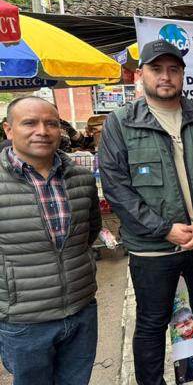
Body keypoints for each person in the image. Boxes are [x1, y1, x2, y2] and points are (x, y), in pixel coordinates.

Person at [98, 39, 193, 385]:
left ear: (182, 75)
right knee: (151, 322)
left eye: (173, 69)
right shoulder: (120, 124)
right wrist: (164, 229)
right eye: (157, 69)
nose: (165, 76)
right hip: (153, 249)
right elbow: (117, 188)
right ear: (140, 74)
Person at [0, 96, 101, 385]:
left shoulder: (81, 179)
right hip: (24, 320)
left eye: (51, 123)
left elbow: (88, 233)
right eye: (29, 123)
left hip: (80, 310)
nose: (42, 131)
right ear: (9, 130)